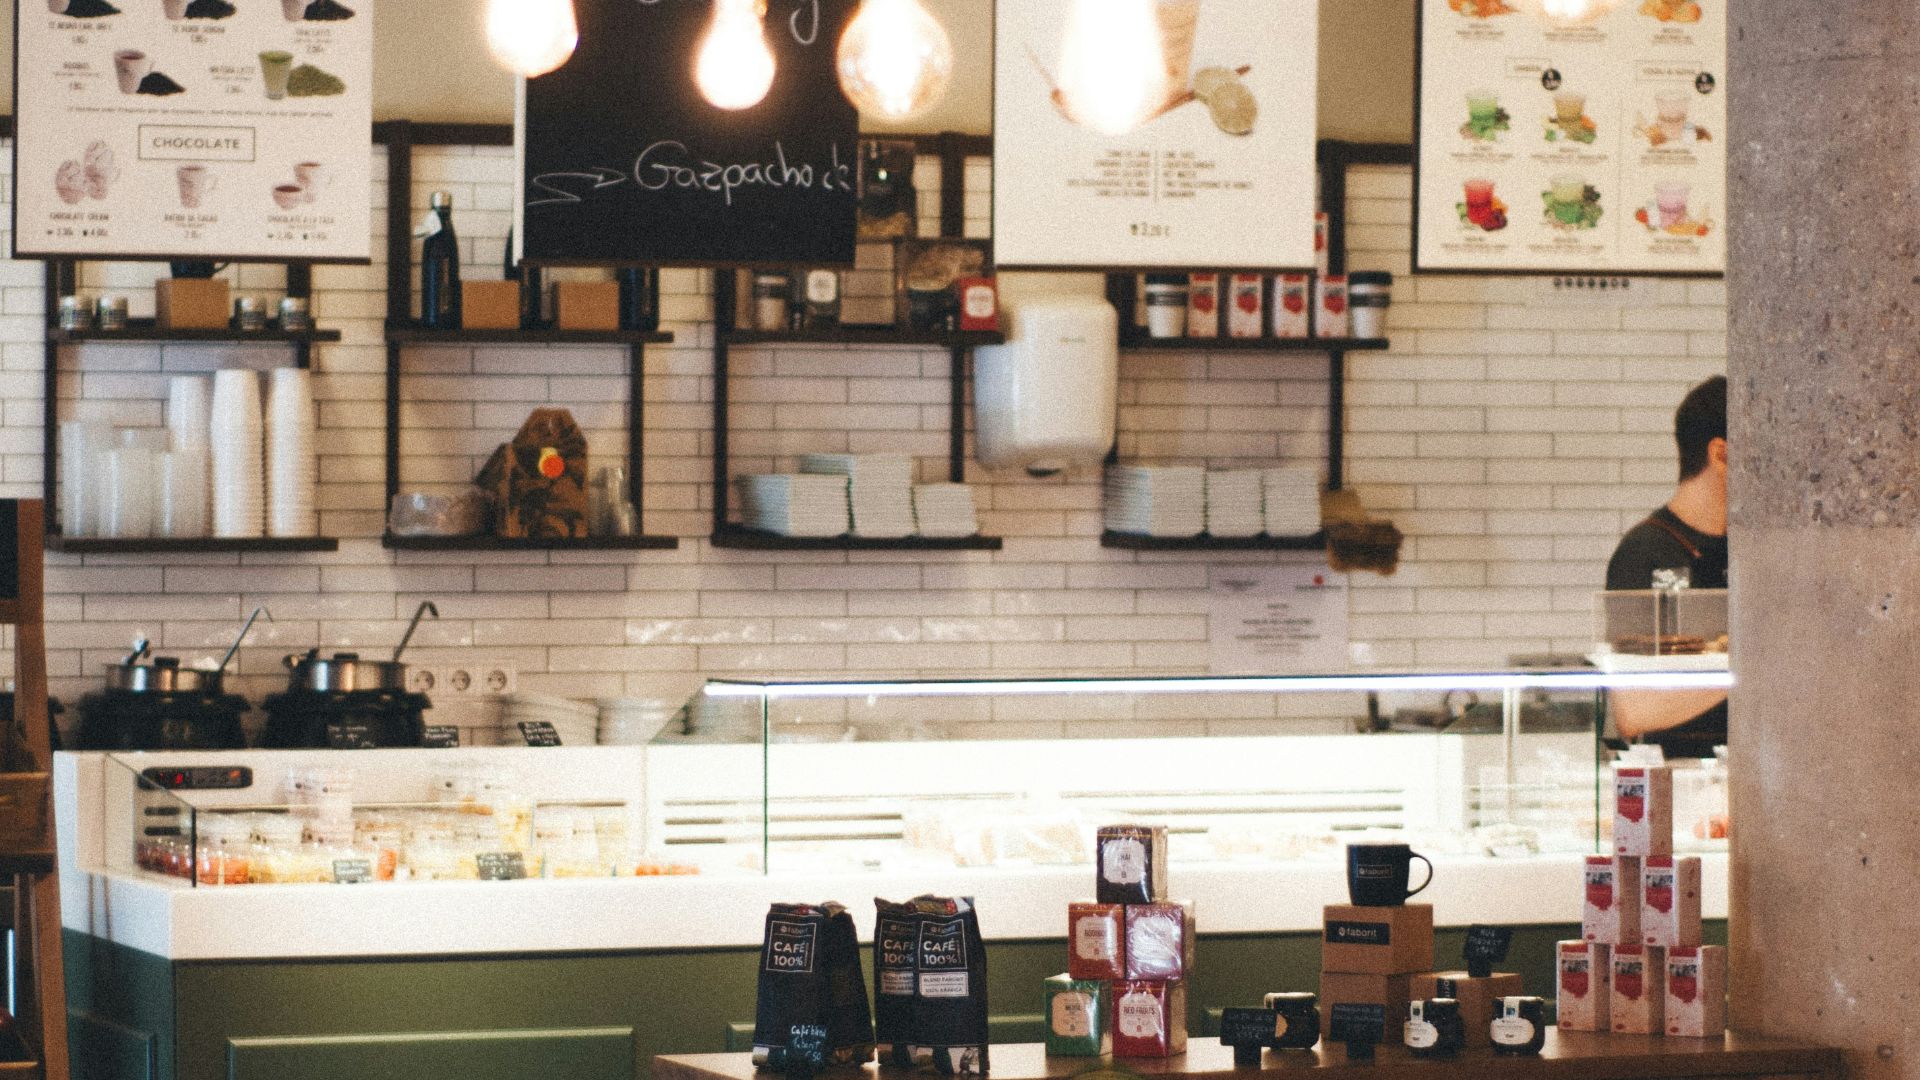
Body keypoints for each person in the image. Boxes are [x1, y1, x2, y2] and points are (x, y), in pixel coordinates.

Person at [1604, 375, 1728, 756]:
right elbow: (1634, 710)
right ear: (1721, 454)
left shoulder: (1752, 553)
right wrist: (1757, 664)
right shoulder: (1643, 553)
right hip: (1673, 789)